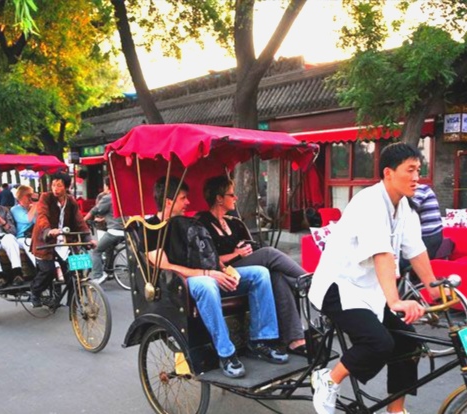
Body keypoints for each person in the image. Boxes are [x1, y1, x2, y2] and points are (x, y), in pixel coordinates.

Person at [308, 143, 440, 414]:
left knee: (409, 344)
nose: (417, 177)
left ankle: (396, 410)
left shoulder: (404, 207)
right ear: (389, 173)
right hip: (339, 288)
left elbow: (415, 249)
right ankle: (328, 379)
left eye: (419, 170)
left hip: (371, 290)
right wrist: (395, 300)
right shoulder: (369, 202)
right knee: (378, 343)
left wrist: (436, 290)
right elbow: (382, 254)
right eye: (411, 170)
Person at [142, 176, 287, 379]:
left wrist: (223, 270)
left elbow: (207, 253)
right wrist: (208, 274)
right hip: (178, 283)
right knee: (207, 285)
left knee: (260, 274)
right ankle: (226, 353)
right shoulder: (150, 227)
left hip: (207, 274)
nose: (188, 202)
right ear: (169, 201)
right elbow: (165, 266)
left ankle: (261, 340)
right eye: (183, 198)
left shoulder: (188, 222)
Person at [197, 175, 308, 356]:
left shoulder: (233, 222)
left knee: (277, 276)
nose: (236, 198)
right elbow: (208, 260)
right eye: (231, 195)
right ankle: (307, 279)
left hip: (246, 269)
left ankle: (295, 339)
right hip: (224, 273)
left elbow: (251, 245)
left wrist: (245, 249)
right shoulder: (202, 224)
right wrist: (236, 254)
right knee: (269, 254)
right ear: (219, 198)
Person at [30, 172, 96, 308]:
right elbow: (42, 216)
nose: (55, 188)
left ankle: (73, 301)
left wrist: (88, 238)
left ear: (66, 187)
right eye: (53, 185)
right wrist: (49, 230)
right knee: (47, 271)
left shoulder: (71, 201)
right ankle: (35, 292)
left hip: (65, 241)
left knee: (75, 271)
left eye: (59, 186)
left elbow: (79, 221)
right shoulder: (45, 197)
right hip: (45, 240)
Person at [87, 177, 124, 282]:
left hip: (113, 230)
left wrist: (83, 220)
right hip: (125, 231)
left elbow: (96, 210)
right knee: (108, 248)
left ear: (107, 186)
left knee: (96, 251)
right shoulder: (121, 196)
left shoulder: (107, 197)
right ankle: (109, 271)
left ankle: (98, 276)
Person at [411, 183, 443, 259]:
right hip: (434, 233)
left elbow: (410, 208)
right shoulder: (423, 189)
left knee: (407, 261)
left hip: (429, 235)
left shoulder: (421, 189)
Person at [10, 185, 38, 267]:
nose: (31, 198)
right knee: (30, 243)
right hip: (22, 237)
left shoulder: (33, 207)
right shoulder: (15, 209)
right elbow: (27, 219)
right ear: (20, 197)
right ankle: (40, 268)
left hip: (35, 235)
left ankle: (59, 269)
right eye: (28, 195)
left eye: (32, 195)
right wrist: (35, 204)